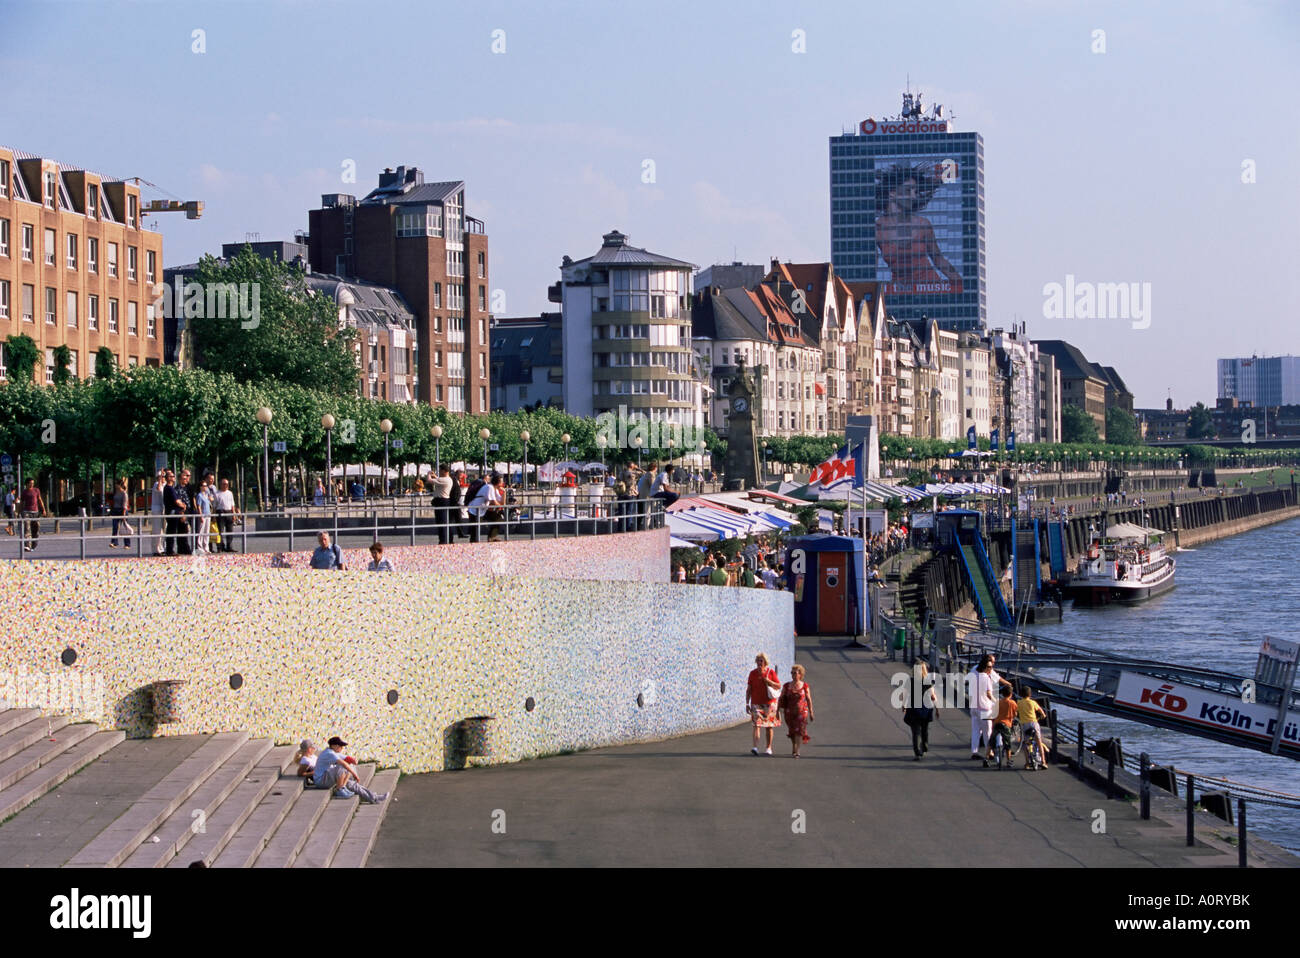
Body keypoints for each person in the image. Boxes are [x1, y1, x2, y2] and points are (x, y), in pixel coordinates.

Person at [312, 736, 387, 803]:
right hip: (321, 780)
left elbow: (347, 759)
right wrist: (355, 775)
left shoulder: (334, 752)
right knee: (341, 767)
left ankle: (374, 797)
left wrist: (353, 761)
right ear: (333, 746)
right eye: (340, 746)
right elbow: (343, 764)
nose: (341, 748)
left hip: (328, 777)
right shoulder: (329, 753)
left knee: (353, 784)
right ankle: (340, 789)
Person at [746, 653, 782, 755]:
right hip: (756, 703)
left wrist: (769, 681)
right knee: (756, 725)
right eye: (758, 661)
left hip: (769, 704)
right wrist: (747, 703)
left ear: (765, 662)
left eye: (761, 661)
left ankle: (768, 748)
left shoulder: (771, 672)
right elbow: (749, 690)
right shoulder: (752, 673)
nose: (759, 663)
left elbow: (778, 686)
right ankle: (755, 747)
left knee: (769, 726)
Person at [902, 662, 938, 760]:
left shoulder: (910, 681)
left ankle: (917, 752)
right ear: (924, 670)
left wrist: (904, 705)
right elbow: (933, 697)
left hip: (914, 709)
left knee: (915, 732)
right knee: (925, 730)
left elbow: (905, 695)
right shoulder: (928, 681)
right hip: (926, 709)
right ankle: (925, 745)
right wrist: (937, 709)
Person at [778, 664, 814, 758]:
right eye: (792, 673)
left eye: (795, 673)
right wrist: (777, 711)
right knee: (792, 731)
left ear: (800, 674)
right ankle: (794, 745)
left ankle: (797, 751)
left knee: (799, 731)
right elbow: (781, 698)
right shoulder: (786, 686)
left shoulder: (805, 686)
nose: (793, 675)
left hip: (802, 712)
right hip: (789, 712)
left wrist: (811, 712)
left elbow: (809, 699)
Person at [967, 654, 998, 761]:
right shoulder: (986, 678)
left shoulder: (974, 675)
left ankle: (974, 751)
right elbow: (989, 694)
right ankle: (989, 752)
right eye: (989, 667)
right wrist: (996, 702)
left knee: (976, 730)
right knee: (987, 732)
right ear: (985, 667)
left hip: (974, 707)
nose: (991, 669)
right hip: (984, 708)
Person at [1017, 686, 1048, 769]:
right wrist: (1043, 715)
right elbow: (1041, 712)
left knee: (1026, 743)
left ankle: (1027, 763)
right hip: (1034, 723)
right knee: (1039, 742)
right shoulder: (1033, 702)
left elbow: (1016, 712)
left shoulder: (1019, 703)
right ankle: (1043, 762)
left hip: (1025, 725)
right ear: (1030, 694)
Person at [989, 685, 1017, 767]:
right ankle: (1009, 760)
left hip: (997, 723)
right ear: (1011, 694)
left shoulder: (998, 702)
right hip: (1006, 725)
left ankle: (986, 758)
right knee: (1007, 743)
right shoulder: (1012, 703)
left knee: (991, 742)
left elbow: (993, 713)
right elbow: (1015, 713)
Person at [19, 478, 46, 552]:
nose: (32, 484)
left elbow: (40, 500)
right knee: (27, 529)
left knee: (36, 529)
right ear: (27, 484)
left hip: (35, 512)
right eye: (30, 483)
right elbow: (21, 503)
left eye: (33, 483)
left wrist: (43, 509)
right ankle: (27, 545)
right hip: (27, 512)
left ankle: (34, 545)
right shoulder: (24, 492)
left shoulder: (36, 490)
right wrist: (19, 512)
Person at [213, 478, 238, 552]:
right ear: (220, 484)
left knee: (230, 530)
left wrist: (233, 514)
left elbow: (232, 504)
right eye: (224, 484)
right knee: (220, 531)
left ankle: (229, 546)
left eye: (227, 484)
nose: (225, 485)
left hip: (229, 511)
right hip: (220, 511)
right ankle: (220, 547)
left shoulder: (230, 493)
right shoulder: (217, 493)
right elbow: (214, 506)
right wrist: (214, 516)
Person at [430, 466, 454, 544]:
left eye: (440, 470)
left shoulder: (444, 479)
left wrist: (428, 474)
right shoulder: (448, 479)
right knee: (445, 521)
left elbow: (429, 480)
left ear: (444, 471)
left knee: (441, 521)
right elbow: (438, 479)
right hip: (444, 500)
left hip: (441, 501)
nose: (439, 472)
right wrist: (435, 476)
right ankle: (448, 539)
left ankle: (443, 540)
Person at [108, 478, 134, 549]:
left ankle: (127, 544)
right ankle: (114, 542)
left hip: (122, 511)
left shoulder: (124, 494)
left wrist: (123, 515)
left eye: (116, 484)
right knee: (115, 527)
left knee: (125, 528)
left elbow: (125, 505)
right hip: (116, 510)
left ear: (120, 485)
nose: (115, 486)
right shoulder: (116, 493)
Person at [194, 477, 213, 553]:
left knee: (207, 532)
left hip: (208, 514)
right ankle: (200, 547)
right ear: (200, 487)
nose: (205, 487)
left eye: (206, 486)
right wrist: (200, 515)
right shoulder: (199, 495)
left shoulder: (206, 495)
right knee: (201, 531)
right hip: (203, 515)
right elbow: (198, 506)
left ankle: (206, 547)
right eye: (203, 486)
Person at [149, 472, 167, 555]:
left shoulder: (165, 485)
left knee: (163, 530)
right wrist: (160, 479)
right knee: (157, 530)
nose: (163, 478)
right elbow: (159, 488)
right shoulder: (156, 484)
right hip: (157, 509)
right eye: (161, 477)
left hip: (163, 509)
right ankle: (155, 549)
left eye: (164, 476)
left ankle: (161, 548)